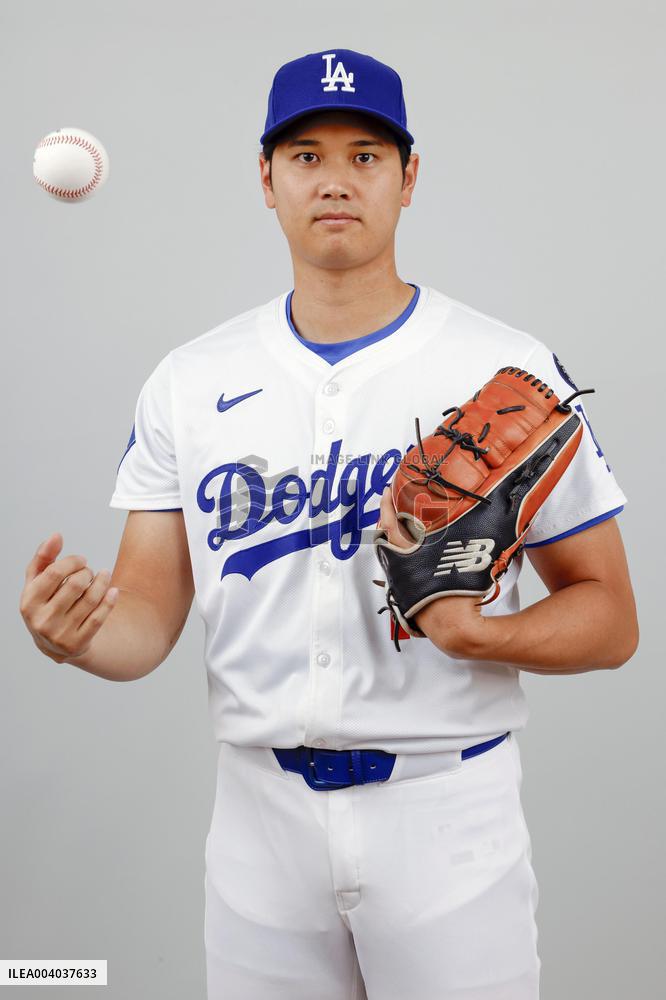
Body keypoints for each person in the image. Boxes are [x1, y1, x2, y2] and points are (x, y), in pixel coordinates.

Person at [20, 48, 638, 1000]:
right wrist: (82, 638)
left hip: (444, 811)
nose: (336, 179)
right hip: (258, 824)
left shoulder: (503, 368)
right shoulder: (190, 381)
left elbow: (612, 617)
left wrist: (481, 632)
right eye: (306, 156)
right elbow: (144, 619)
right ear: (266, 180)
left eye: (365, 155)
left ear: (409, 176)